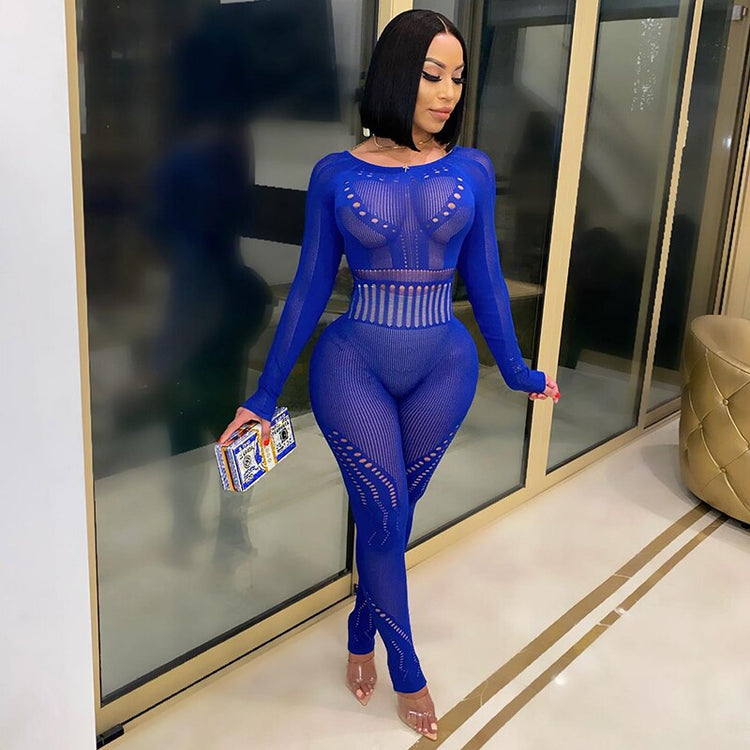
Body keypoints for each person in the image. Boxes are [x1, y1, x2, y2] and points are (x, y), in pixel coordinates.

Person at [219, 9, 560, 741]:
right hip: (353, 367)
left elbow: (487, 280)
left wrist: (517, 370)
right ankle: (406, 670)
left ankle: (359, 620)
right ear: (398, 74)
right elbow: (309, 287)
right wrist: (264, 395)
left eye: (458, 77)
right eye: (433, 74)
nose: (448, 92)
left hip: (445, 365)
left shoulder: (472, 170)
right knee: (383, 517)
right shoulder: (334, 174)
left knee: (392, 521)